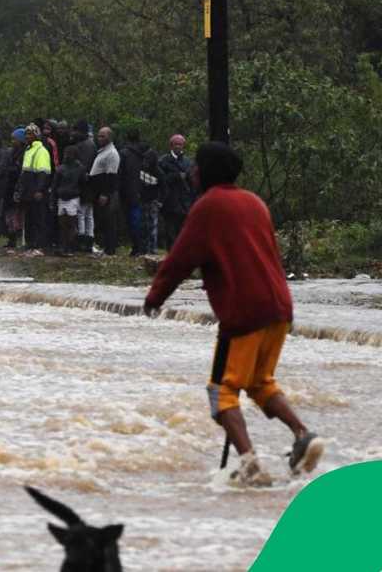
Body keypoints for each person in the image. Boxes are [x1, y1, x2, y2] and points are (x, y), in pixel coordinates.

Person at [144, 141, 324, 487]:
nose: (193, 172)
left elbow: (179, 260)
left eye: (197, 167)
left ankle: (249, 463)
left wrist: (155, 298)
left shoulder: (208, 208)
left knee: (221, 392)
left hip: (244, 313)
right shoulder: (254, 202)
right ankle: (302, 434)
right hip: (279, 308)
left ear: (205, 173)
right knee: (259, 383)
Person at [14, 124, 52, 251]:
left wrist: (40, 190)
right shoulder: (28, 150)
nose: (27, 136)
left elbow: (44, 172)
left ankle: (40, 245)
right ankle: (30, 244)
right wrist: (19, 188)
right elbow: (24, 172)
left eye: (30, 134)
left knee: (39, 218)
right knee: (29, 219)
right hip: (27, 190)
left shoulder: (41, 151)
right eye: (26, 134)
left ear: (36, 135)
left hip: (36, 190)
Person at [159, 134, 195, 249]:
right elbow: (161, 180)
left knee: (182, 232)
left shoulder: (188, 162)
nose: (178, 147)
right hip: (169, 201)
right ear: (171, 145)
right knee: (170, 232)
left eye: (180, 144)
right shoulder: (163, 161)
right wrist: (176, 176)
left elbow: (193, 183)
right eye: (176, 144)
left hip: (184, 203)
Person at [89, 127, 121, 256]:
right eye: (99, 136)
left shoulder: (112, 153)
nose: (99, 138)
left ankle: (110, 249)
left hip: (106, 192)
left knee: (109, 221)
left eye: (103, 136)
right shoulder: (102, 151)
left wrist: (105, 194)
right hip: (98, 190)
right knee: (102, 220)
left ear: (109, 137)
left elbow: (111, 175)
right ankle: (104, 246)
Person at [66, 121, 97, 252]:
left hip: (84, 184)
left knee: (82, 213)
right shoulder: (92, 144)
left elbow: (82, 166)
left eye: (75, 130)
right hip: (91, 184)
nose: (73, 133)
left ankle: (83, 242)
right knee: (89, 214)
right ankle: (89, 240)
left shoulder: (82, 146)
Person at [52, 145, 86, 256]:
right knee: (62, 224)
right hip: (62, 198)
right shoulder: (60, 169)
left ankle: (70, 247)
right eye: (66, 153)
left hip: (73, 198)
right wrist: (53, 198)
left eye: (69, 154)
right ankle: (63, 246)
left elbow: (83, 183)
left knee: (71, 223)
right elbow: (55, 185)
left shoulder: (80, 168)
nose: (67, 156)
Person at [119, 130, 146, 256]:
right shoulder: (146, 152)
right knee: (140, 219)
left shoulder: (124, 154)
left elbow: (120, 174)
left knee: (132, 220)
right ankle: (142, 246)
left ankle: (137, 247)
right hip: (144, 189)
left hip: (128, 190)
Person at [1, 128, 26, 249]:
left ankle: (17, 238)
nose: (12, 141)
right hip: (8, 186)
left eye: (14, 139)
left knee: (17, 215)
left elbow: (20, 170)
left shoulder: (23, 153)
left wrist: (10, 169)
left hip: (17, 186)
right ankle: (11, 238)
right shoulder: (11, 152)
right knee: (9, 215)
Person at [139, 144, 164, 254]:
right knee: (143, 225)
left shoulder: (159, 172)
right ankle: (144, 249)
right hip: (143, 200)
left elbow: (164, 188)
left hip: (153, 201)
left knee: (152, 226)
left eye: (148, 159)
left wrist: (160, 201)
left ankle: (152, 250)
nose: (146, 161)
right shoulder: (142, 169)